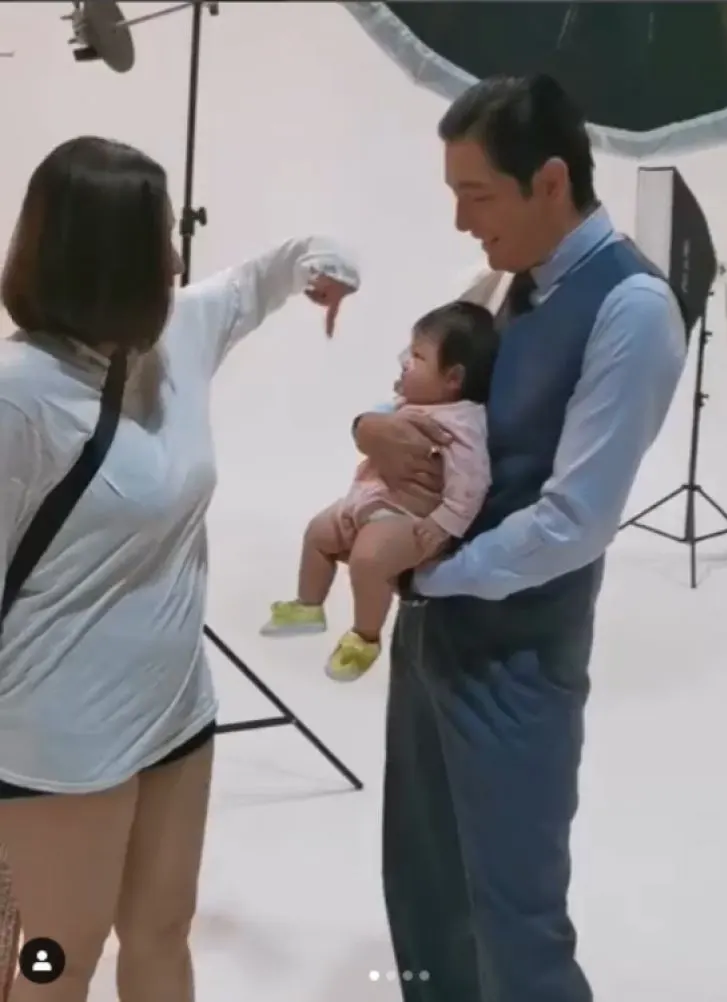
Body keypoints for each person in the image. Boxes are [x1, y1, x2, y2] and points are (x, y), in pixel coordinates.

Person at [352, 75, 688, 1001]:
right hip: (432, 640)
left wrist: (431, 573)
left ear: (550, 181)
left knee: (516, 927)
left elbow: (573, 521)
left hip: (516, 664)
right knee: (423, 894)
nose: (462, 221)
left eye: (477, 195)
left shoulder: (631, 309)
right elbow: (422, 395)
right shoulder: (503, 282)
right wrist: (369, 425)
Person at [0, 135, 358, 1002]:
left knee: (163, 931)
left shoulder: (175, 332)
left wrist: (324, 262)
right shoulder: (19, 393)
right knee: (53, 962)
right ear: (103, 260)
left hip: (177, 710)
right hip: (62, 741)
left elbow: (259, 278)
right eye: (157, 240)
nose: (174, 258)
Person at [260, 300, 497, 681]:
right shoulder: (411, 401)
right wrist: (370, 422)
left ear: (453, 378)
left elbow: (473, 480)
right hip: (367, 502)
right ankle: (309, 604)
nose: (405, 362)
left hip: (407, 517)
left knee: (368, 560)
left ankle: (365, 637)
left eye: (418, 357)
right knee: (318, 532)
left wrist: (445, 523)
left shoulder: (461, 423)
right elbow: (371, 420)